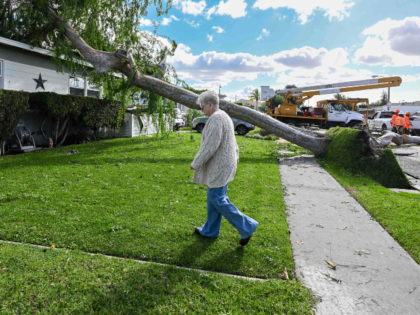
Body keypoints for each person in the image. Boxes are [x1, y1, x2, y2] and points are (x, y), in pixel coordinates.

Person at [190, 91, 258, 246]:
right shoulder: (223, 115)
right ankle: (210, 230)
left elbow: (210, 146)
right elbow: (232, 140)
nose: (201, 110)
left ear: (210, 104)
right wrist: (236, 155)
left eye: (202, 107)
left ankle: (247, 226)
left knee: (217, 199)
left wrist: (196, 163)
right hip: (225, 163)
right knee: (214, 198)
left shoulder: (216, 118)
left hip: (220, 166)